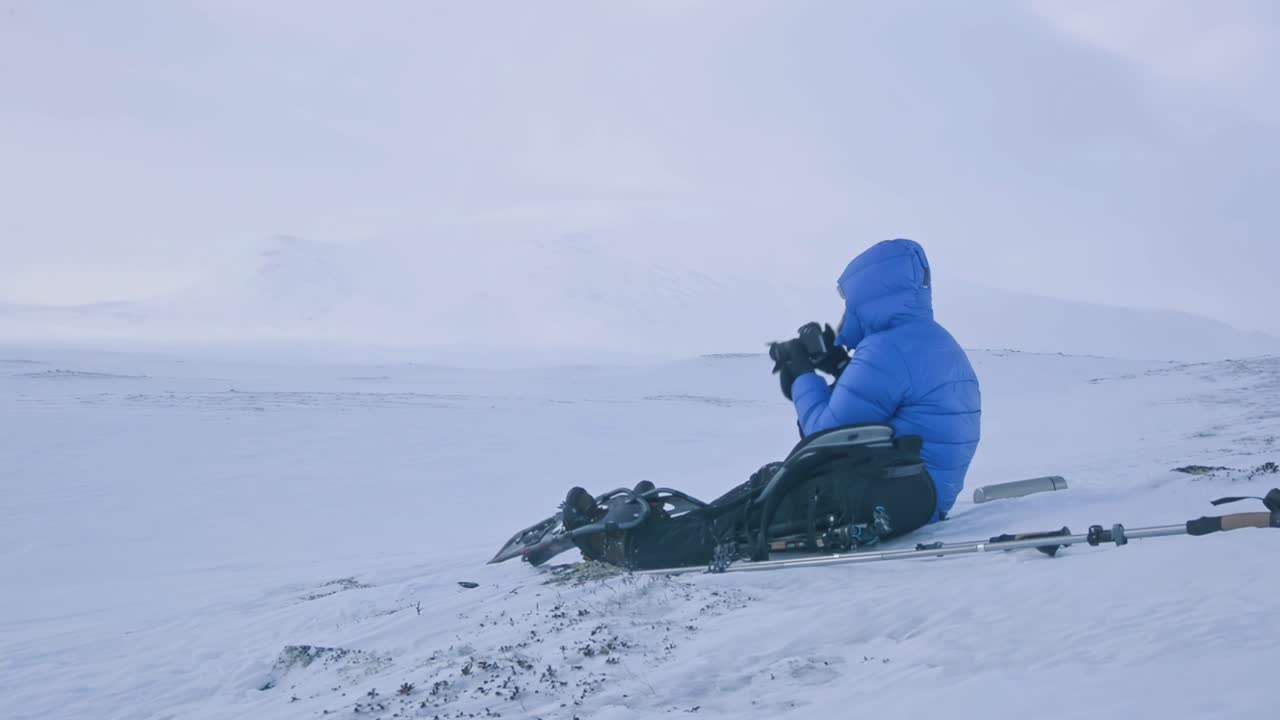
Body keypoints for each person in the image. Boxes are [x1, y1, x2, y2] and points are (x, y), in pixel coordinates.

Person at [564, 238, 981, 569]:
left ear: (869, 295)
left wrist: (801, 376)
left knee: (767, 504)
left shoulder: (889, 349)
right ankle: (673, 529)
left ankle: (629, 546)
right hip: (914, 489)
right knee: (773, 480)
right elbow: (879, 409)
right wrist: (837, 367)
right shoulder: (924, 339)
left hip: (900, 492)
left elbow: (823, 433)